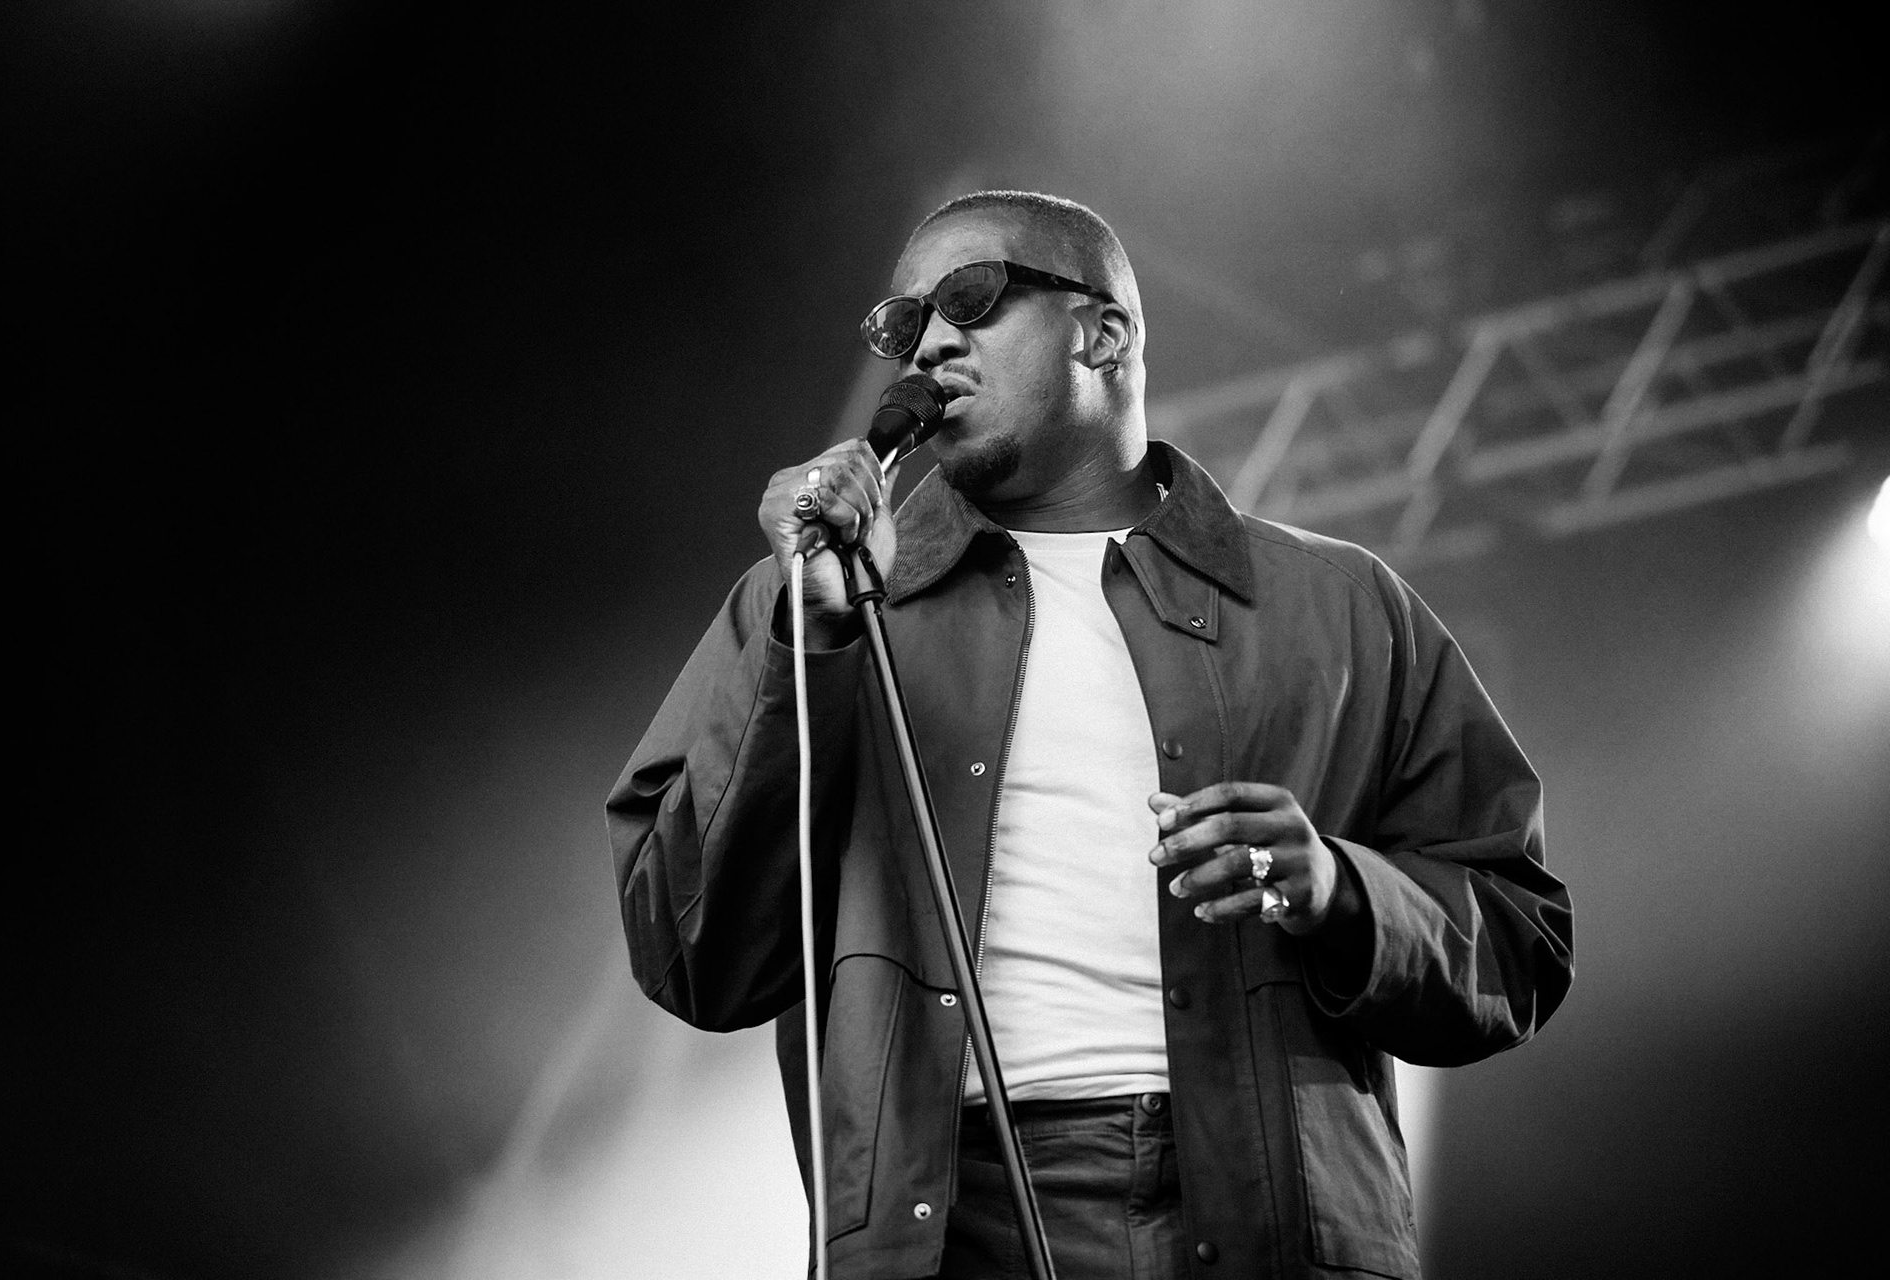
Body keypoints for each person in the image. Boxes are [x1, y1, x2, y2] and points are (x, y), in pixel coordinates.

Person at [608, 190, 1573, 1280]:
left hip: (1275, 1217)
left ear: (1102, 333)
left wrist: (1341, 890)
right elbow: (696, 956)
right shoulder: (817, 597)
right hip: (953, 1226)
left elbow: (1521, 940)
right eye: (903, 323)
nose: (929, 343)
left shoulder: (1340, 605)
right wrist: (812, 640)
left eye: (971, 298)